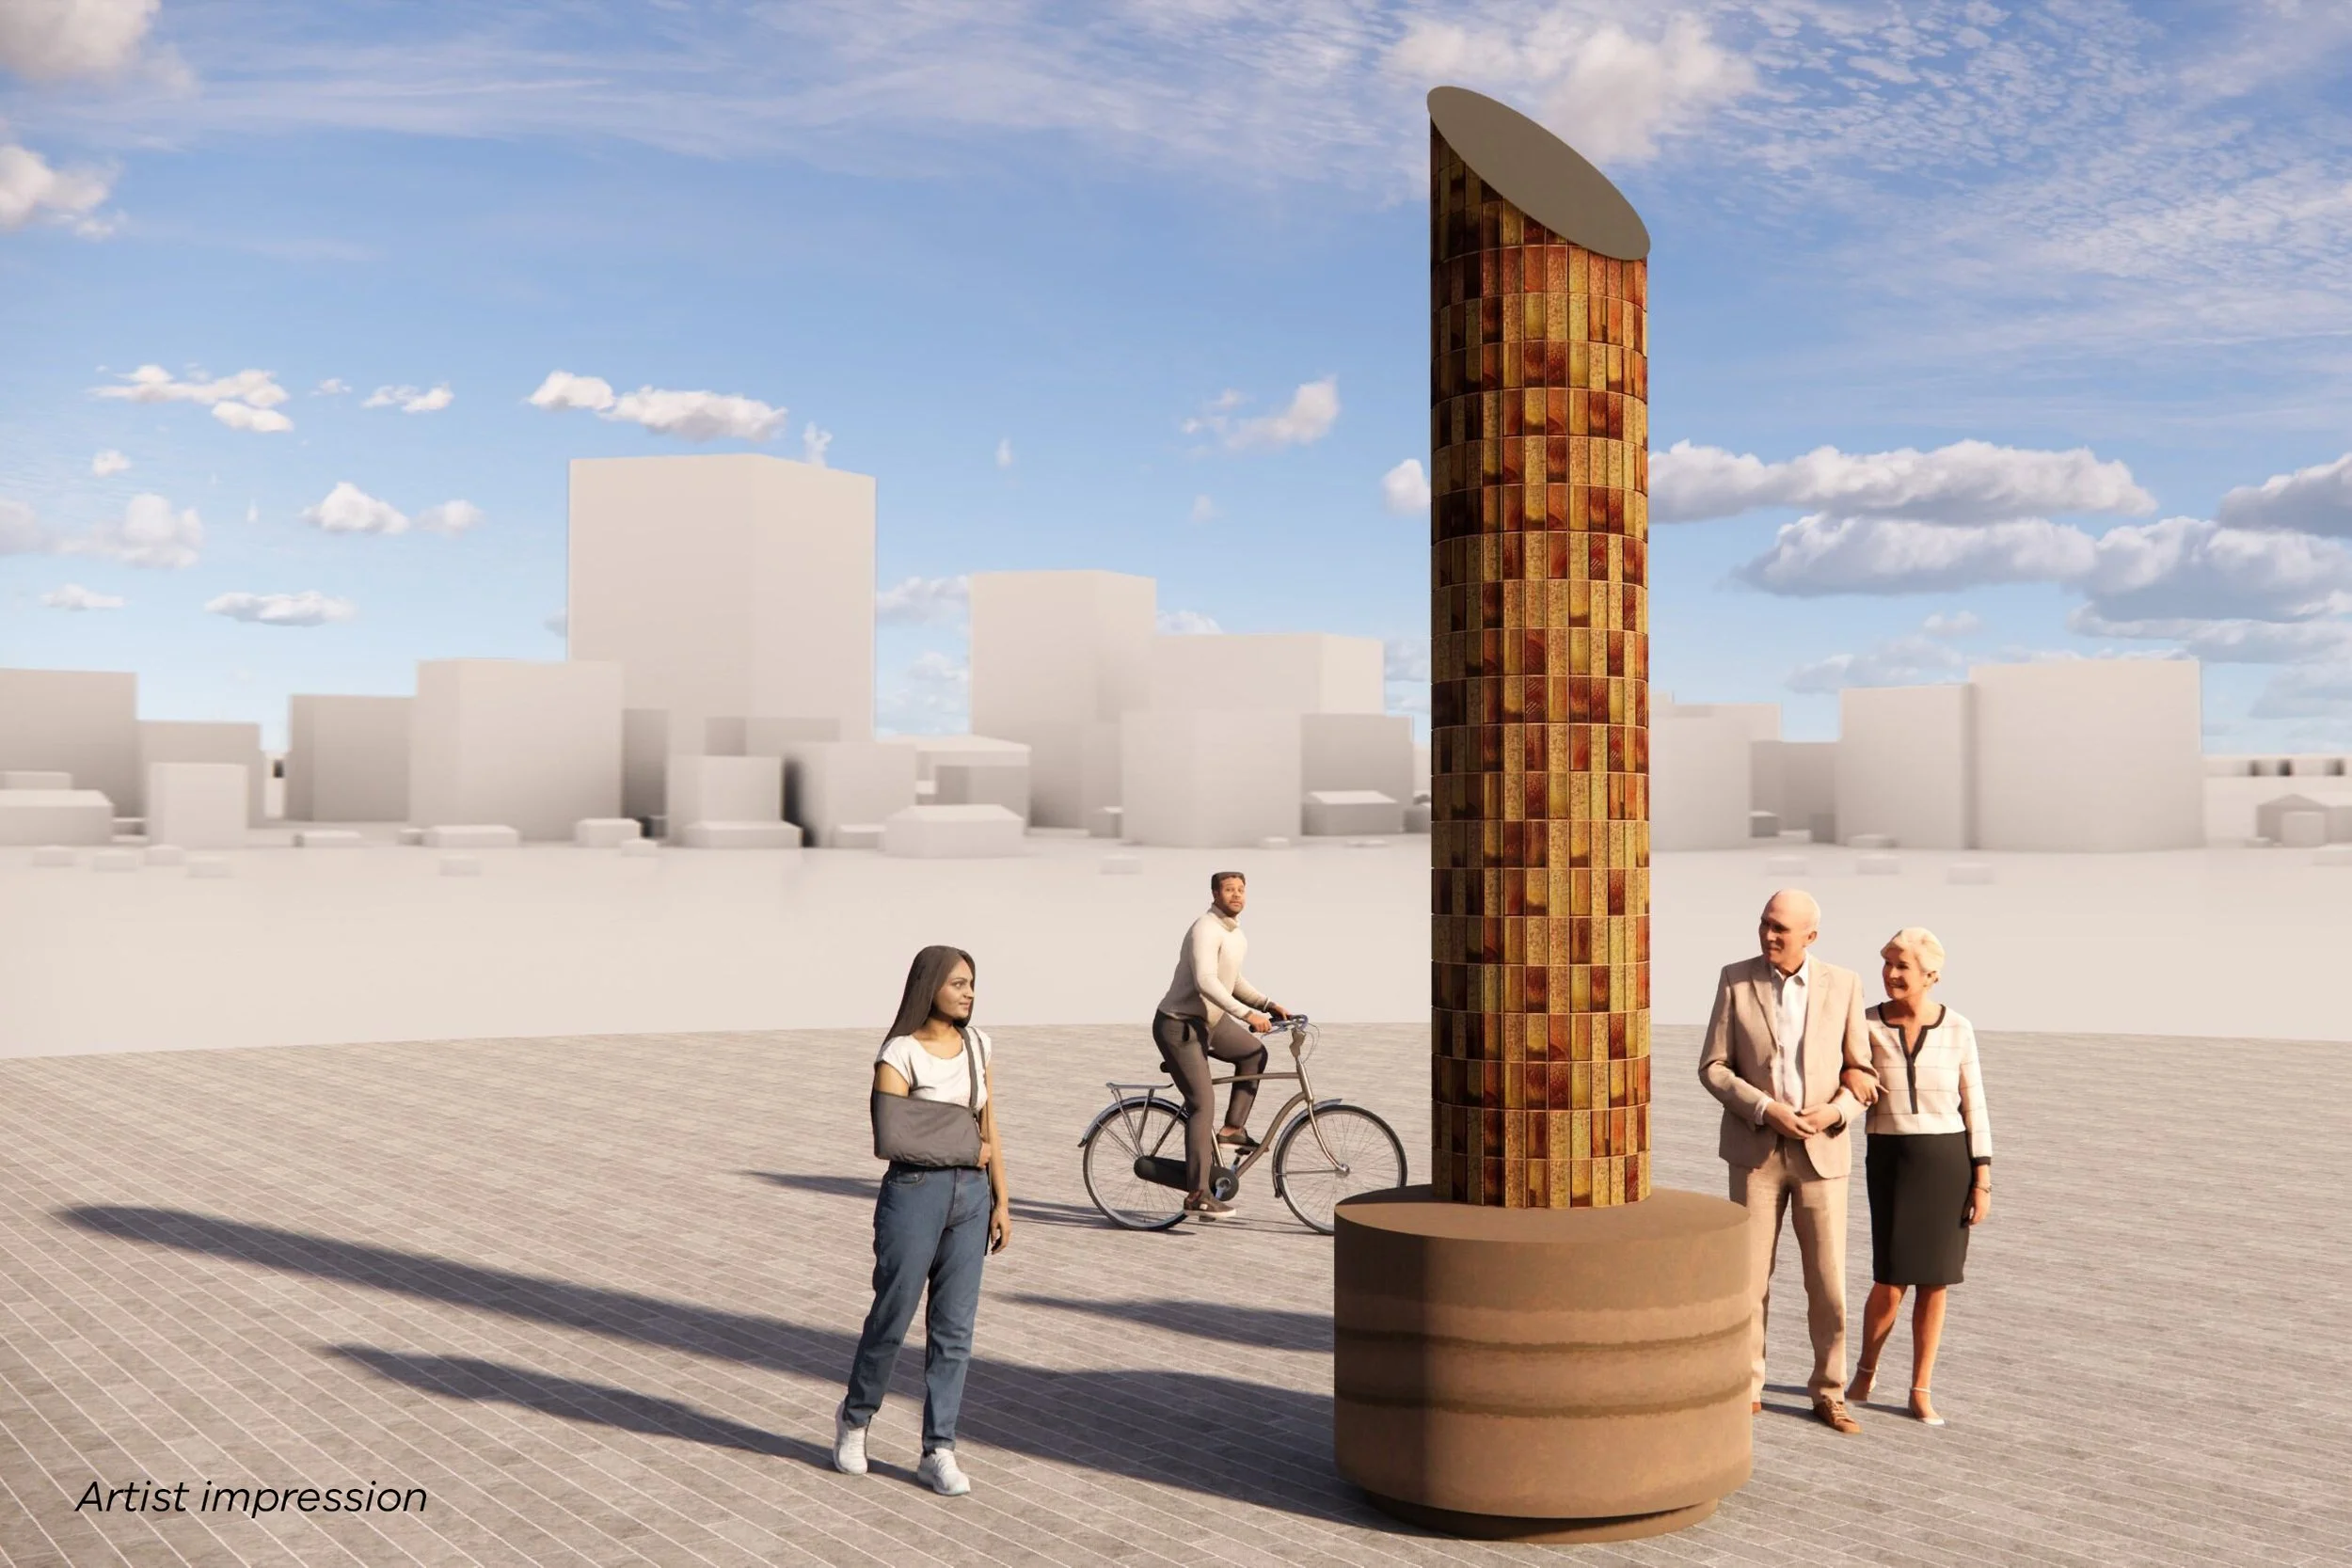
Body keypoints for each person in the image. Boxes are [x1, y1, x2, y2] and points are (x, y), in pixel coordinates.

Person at [1699, 888, 1881, 1433]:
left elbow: (1863, 1072)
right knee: (1748, 1278)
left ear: (1811, 936)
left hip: (1822, 1155)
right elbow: (1713, 1066)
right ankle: (1747, 1385)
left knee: (1827, 1283)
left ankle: (1829, 1391)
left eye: (1781, 928)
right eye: (1764, 924)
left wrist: (1836, 1113)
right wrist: (1766, 1109)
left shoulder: (1844, 984)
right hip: (1755, 1152)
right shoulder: (1735, 978)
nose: (1769, 936)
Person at [834, 945, 1010, 1495]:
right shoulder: (900, 1053)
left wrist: (1003, 1200)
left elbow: (990, 1128)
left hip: (972, 1200)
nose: (969, 993)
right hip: (914, 1194)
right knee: (892, 1316)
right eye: (958, 983)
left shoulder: (979, 1046)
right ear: (929, 985)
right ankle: (856, 1419)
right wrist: (963, 1146)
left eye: (972, 984)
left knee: (954, 1331)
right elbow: (893, 1136)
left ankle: (938, 1449)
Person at [1848, 927, 1993, 1427]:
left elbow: (1974, 1103)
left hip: (1947, 1159)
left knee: (1935, 1282)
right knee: (1889, 1279)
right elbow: (1845, 1072)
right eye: (1886, 964)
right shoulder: (1864, 1024)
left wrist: (1983, 1178)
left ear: (1930, 975)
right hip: (1889, 1157)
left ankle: (1920, 1389)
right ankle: (1865, 1370)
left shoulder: (1958, 1028)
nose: (1890, 974)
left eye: (1901, 966)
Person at [1152, 870, 1291, 1221]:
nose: (1236, 895)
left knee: (1254, 1053)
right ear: (1215, 893)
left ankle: (1232, 1131)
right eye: (1229, 890)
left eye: (1241, 890)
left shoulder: (1234, 933)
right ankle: (1198, 1194)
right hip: (1179, 1025)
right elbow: (1206, 981)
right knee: (1202, 1104)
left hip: (1209, 1023)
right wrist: (1246, 1014)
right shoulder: (1205, 928)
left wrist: (1267, 1004)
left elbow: (1232, 979)